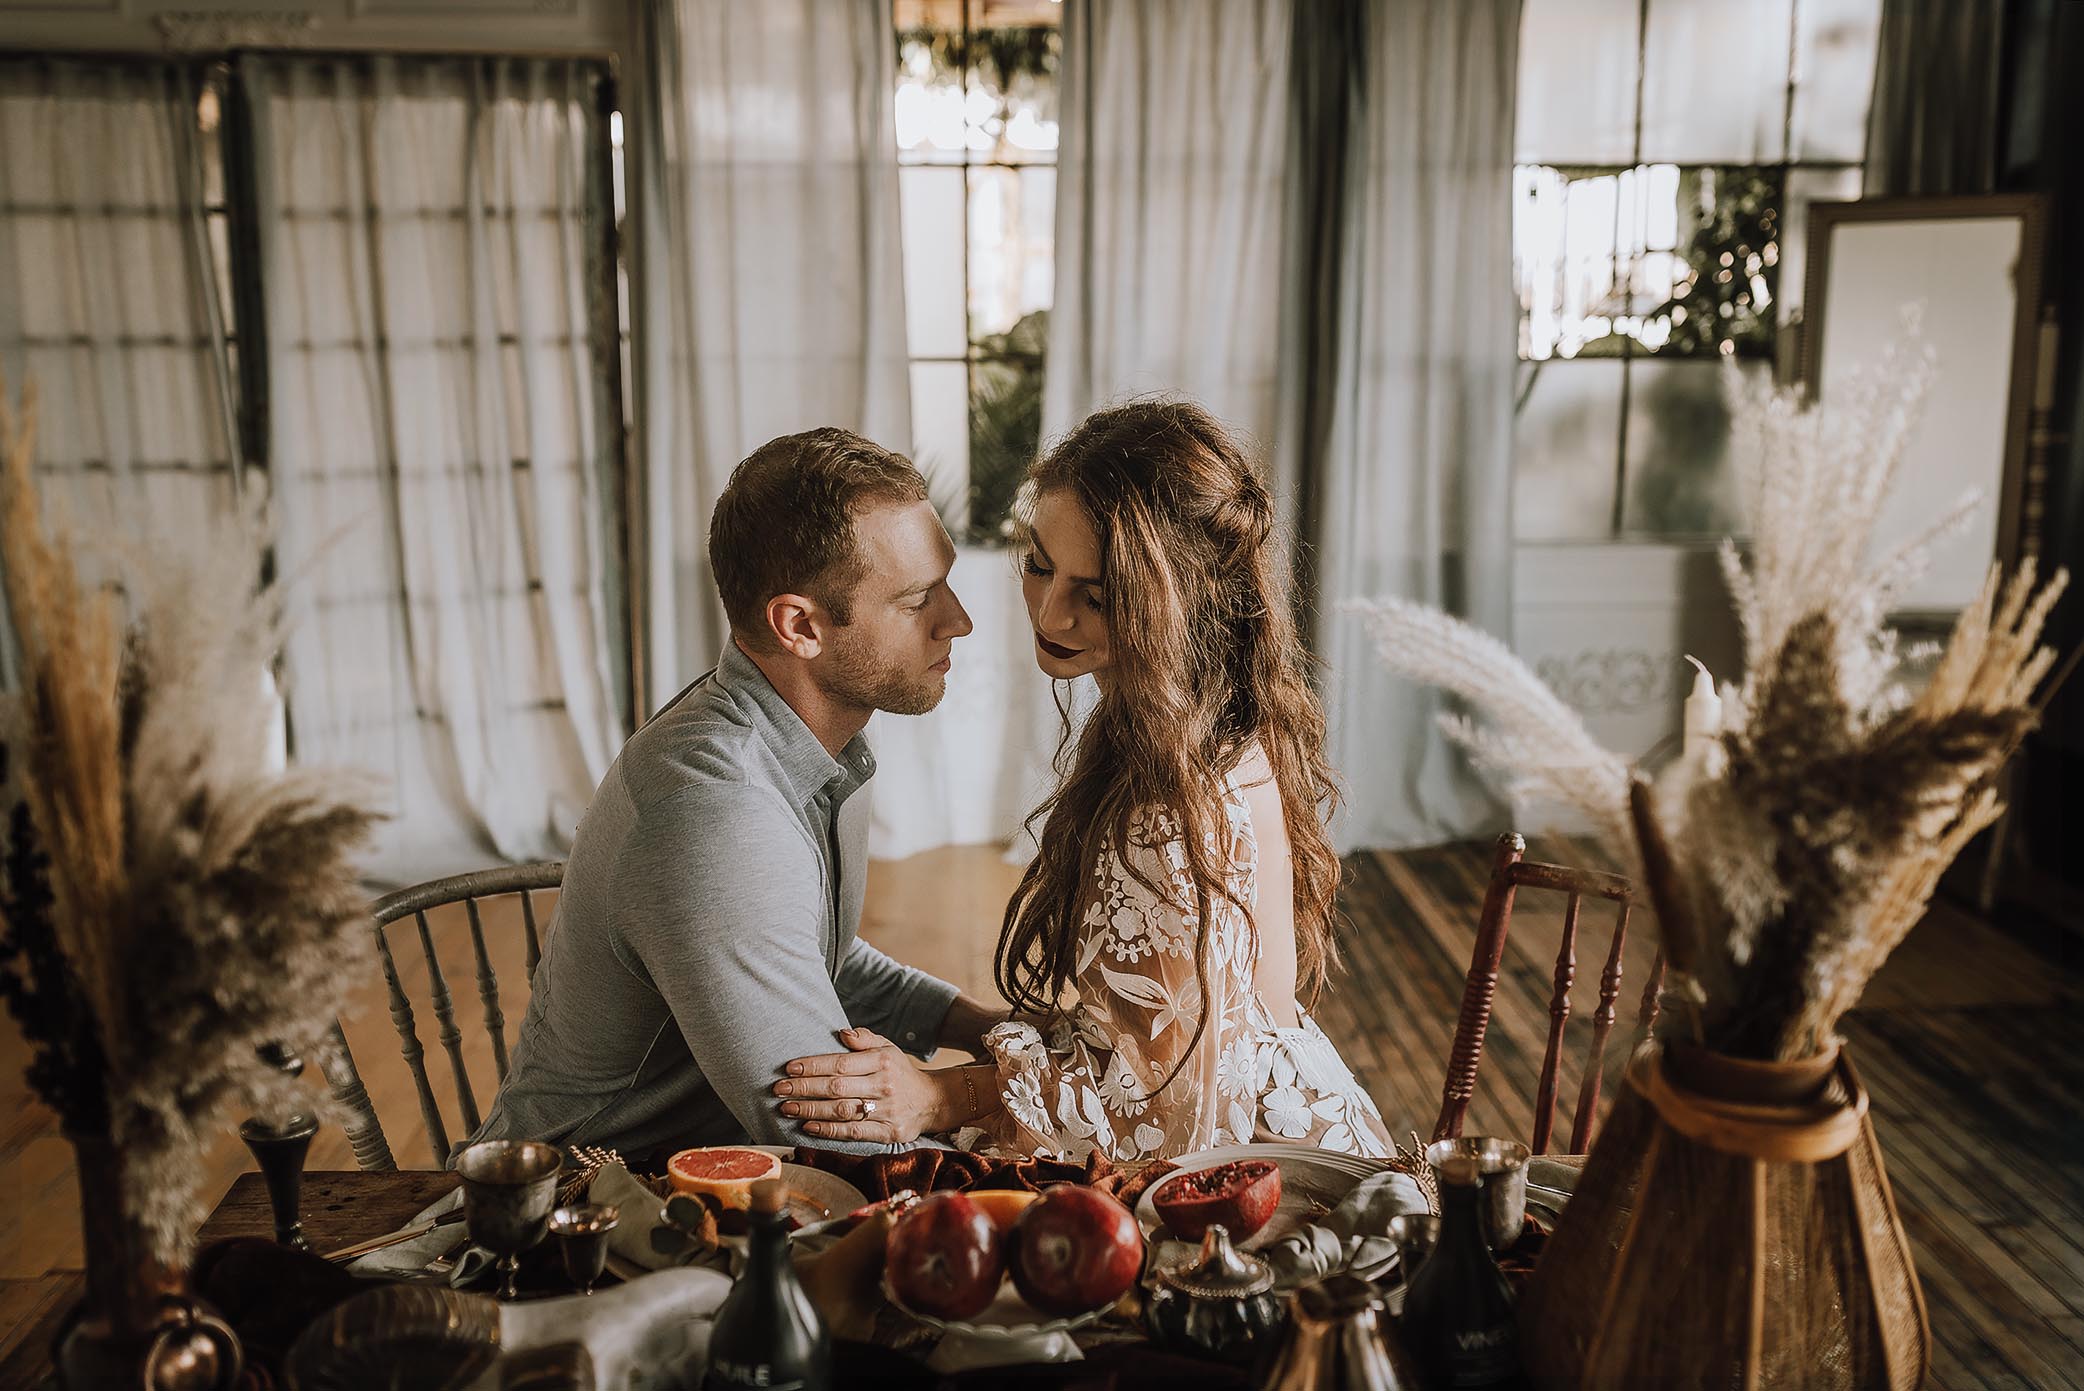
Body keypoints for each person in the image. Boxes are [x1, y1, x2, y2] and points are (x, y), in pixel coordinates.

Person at [773, 401, 1393, 1161]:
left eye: (1095, 594)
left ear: (1173, 599)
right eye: (1039, 565)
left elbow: (1155, 1094)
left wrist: (936, 1094)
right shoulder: (1186, 713)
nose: (1052, 612)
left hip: (1250, 1160)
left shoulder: (1175, 798)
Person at [470, 428, 1006, 1164]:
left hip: (720, 1171)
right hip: (586, 1213)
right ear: (801, 626)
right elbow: (829, 1128)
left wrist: (988, 1027)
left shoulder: (812, 742)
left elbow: (812, 956)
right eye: (918, 600)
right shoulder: (714, 810)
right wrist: (998, 1091)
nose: (959, 620)